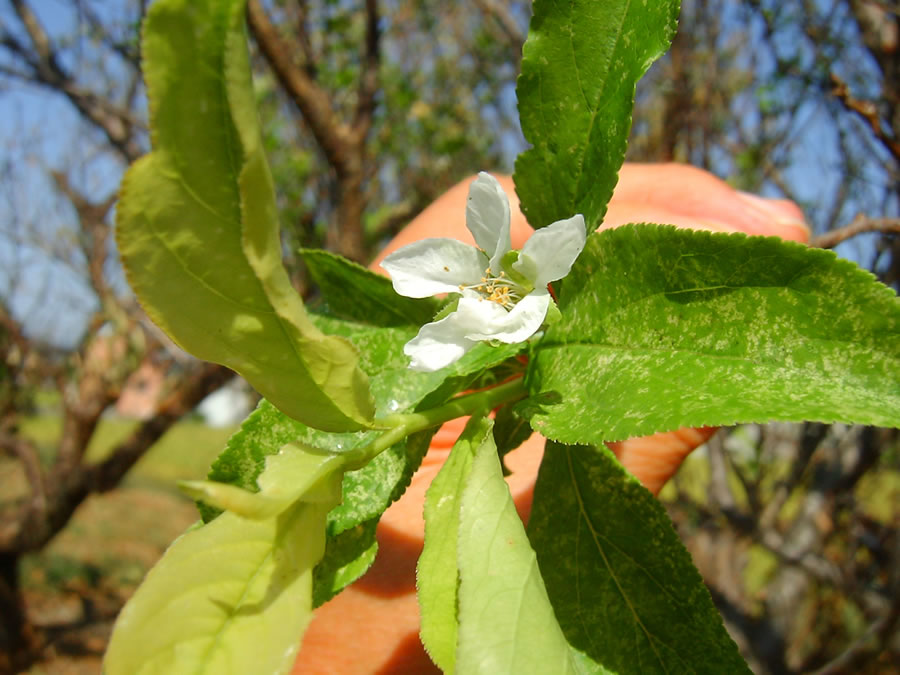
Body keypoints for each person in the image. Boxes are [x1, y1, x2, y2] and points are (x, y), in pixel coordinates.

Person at [293, 163, 810, 674]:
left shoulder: (535, 274)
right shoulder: (476, 315)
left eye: (504, 285)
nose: (498, 289)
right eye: (494, 287)